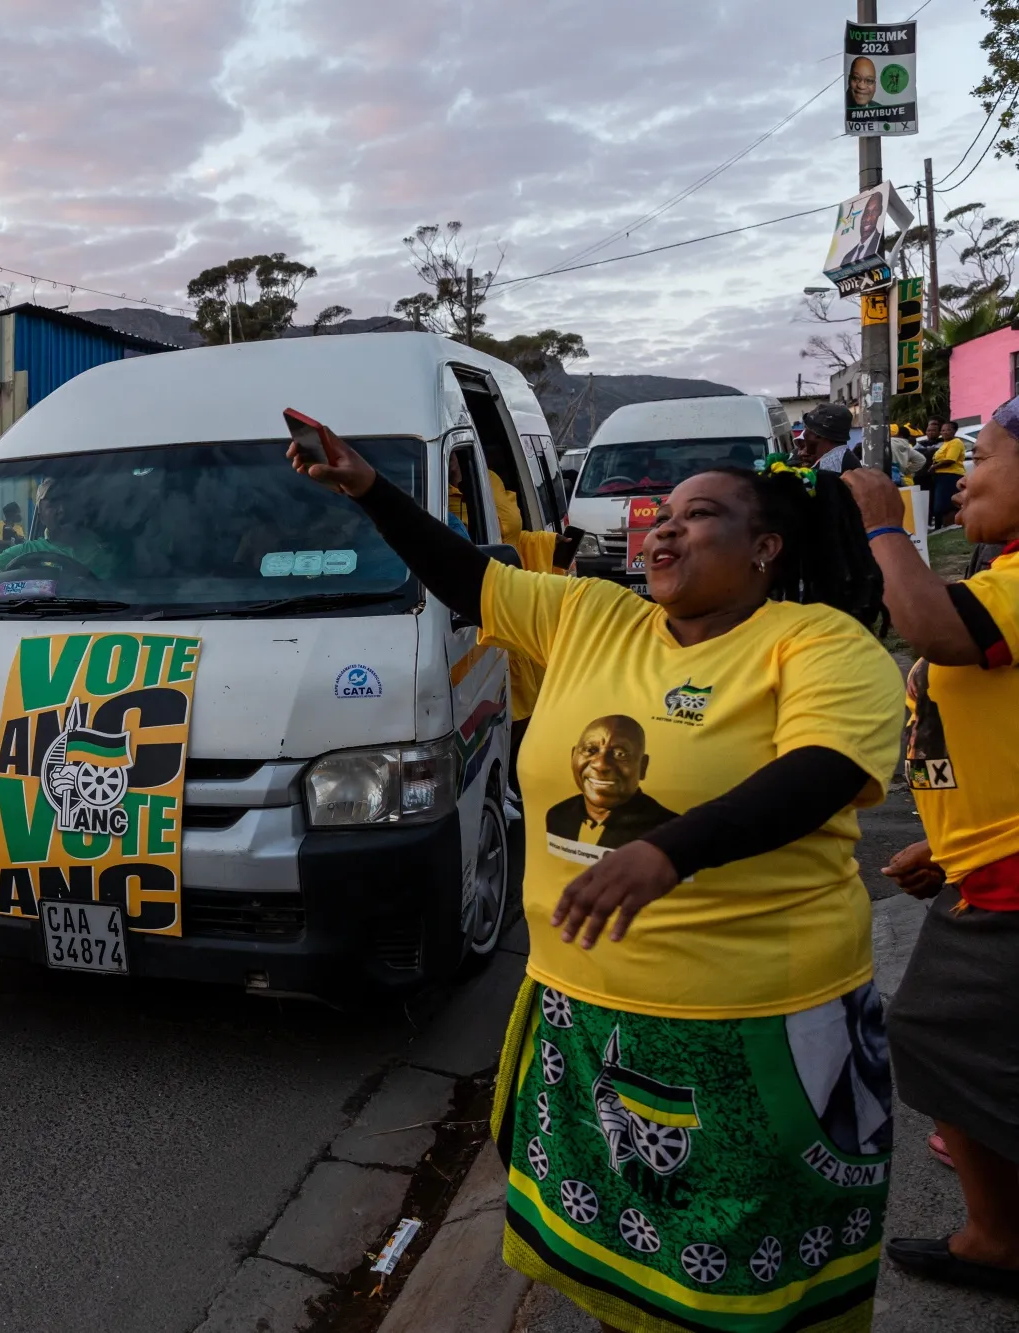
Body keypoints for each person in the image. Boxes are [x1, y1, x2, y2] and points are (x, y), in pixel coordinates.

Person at [292, 428, 904, 1333]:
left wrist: (668, 850)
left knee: (747, 1289)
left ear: (765, 547)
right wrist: (370, 489)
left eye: (703, 516)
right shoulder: (593, 615)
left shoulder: (818, 641)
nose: (665, 531)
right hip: (587, 1018)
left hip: (756, 1030)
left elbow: (818, 770)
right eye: (661, 516)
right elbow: (468, 577)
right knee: (624, 1271)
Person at [846, 405, 1019, 1294]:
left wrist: (885, 521)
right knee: (950, 1038)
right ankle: (996, 1231)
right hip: (981, 871)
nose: (964, 478)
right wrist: (943, 847)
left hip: (1010, 887)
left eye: (984, 460)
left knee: (938, 1032)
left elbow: (934, 626)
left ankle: (1000, 1235)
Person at [541, 716, 680, 857]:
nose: (601, 765)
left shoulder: (672, 831)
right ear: (573, 756)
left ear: (643, 766)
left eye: (620, 754)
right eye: (590, 750)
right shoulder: (558, 815)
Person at [800, 402, 858, 473]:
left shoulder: (825, 469)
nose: (803, 434)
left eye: (806, 428)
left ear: (816, 434)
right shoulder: (848, 459)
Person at [931, 421, 968, 528]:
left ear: (954, 431)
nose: (945, 432)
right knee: (941, 506)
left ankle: (952, 526)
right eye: (943, 430)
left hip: (951, 476)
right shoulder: (945, 444)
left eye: (948, 430)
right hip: (941, 476)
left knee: (947, 505)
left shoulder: (956, 442)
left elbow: (950, 459)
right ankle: (946, 526)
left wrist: (934, 467)